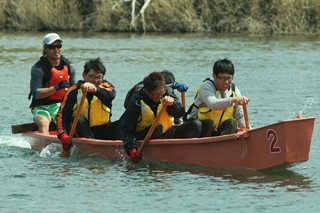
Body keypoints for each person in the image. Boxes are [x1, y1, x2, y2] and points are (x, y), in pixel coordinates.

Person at [118, 71, 213, 164]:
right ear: (147, 91)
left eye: (161, 93)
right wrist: (132, 150)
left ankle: (187, 154)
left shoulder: (166, 91)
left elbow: (180, 112)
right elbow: (126, 131)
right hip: (146, 136)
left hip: (167, 131)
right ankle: (162, 156)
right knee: (157, 127)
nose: (159, 96)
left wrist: (172, 105)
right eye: (156, 94)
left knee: (196, 125)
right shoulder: (136, 101)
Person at [56, 57, 118, 151]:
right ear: (84, 75)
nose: (95, 80)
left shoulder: (107, 87)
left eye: (99, 77)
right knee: (79, 119)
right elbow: (62, 115)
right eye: (92, 76)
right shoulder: (73, 91)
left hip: (103, 130)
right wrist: (63, 135)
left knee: (122, 123)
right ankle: (92, 148)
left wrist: (95, 89)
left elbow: (110, 96)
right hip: (80, 131)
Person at [186, 58, 250, 136]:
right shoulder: (206, 86)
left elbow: (239, 116)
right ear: (214, 76)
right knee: (210, 123)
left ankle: (223, 144)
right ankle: (207, 145)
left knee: (233, 122)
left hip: (219, 131)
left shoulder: (235, 91)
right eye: (222, 78)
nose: (226, 82)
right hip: (198, 130)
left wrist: (249, 131)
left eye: (229, 78)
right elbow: (213, 104)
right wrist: (234, 100)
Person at [28, 33, 76, 135]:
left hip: (60, 105)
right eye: (52, 47)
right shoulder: (38, 69)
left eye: (59, 46)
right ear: (45, 49)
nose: (56, 50)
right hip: (41, 106)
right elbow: (36, 93)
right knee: (43, 122)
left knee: (72, 121)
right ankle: (45, 148)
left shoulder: (69, 66)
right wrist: (56, 87)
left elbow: (75, 91)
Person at [123, 69, 188, 124]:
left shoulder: (168, 91)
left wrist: (173, 104)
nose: (160, 95)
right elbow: (126, 105)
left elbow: (180, 113)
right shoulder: (139, 93)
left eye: (162, 92)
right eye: (157, 93)